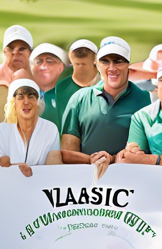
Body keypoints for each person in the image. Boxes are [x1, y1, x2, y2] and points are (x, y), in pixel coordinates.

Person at [60, 36, 150, 165]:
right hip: (88, 179)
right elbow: (68, 150)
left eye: (118, 61)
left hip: (131, 178)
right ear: (97, 65)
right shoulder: (79, 98)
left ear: (128, 66)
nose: (112, 68)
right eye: (105, 62)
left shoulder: (146, 99)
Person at [0, 78, 63, 171]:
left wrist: (13, 166)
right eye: (20, 97)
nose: (26, 102)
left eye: (31, 97)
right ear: (13, 103)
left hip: (41, 184)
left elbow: (54, 168)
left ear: (38, 103)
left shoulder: (50, 129)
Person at [48, 40, 99, 134]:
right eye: (77, 64)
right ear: (70, 58)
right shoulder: (62, 88)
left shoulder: (105, 84)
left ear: (95, 59)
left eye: (84, 64)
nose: (80, 68)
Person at [31, 43, 68, 128]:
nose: (43, 66)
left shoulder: (69, 97)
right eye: (38, 62)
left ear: (61, 67)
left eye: (49, 62)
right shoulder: (22, 94)